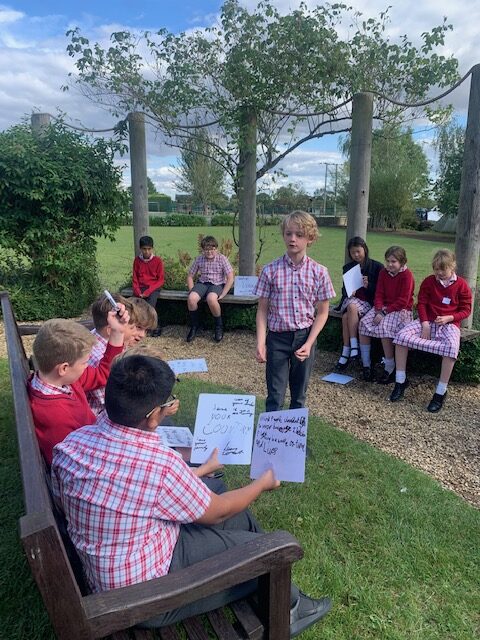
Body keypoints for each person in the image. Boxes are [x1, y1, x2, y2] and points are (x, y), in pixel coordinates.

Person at [51, 354, 332, 635]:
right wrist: (262, 482)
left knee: (239, 519)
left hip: (112, 567)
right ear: (152, 417)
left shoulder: (72, 444)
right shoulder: (159, 464)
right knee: (267, 549)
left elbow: (70, 502)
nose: (170, 406)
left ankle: (263, 579)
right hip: (143, 596)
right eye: (167, 402)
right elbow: (218, 511)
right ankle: (289, 608)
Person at [27, 304, 129, 465]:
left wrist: (117, 331)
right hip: (93, 454)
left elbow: (102, 374)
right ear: (64, 368)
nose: (86, 367)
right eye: (85, 363)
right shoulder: (55, 416)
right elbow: (67, 463)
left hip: (95, 436)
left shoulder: (63, 380)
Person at [255, 211, 335, 412]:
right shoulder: (270, 270)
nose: (292, 239)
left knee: (299, 396)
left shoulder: (319, 272)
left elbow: (323, 312)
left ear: (310, 238)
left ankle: (294, 443)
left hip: (304, 337)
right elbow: (262, 310)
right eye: (289, 233)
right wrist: (261, 342)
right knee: (275, 395)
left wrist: (309, 343)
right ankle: (270, 442)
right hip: (277, 339)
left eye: (299, 235)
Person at [390, 249, 472, 412]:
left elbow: (466, 309)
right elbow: (421, 303)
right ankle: (400, 381)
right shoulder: (429, 281)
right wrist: (425, 323)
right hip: (427, 321)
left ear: (452, 267)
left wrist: (449, 317)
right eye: (436, 269)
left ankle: (440, 392)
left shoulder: (461, 285)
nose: (439, 273)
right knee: (401, 337)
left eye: (443, 270)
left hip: (449, 324)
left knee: (451, 348)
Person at [87, 293, 158, 415]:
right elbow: (115, 400)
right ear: (112, 328)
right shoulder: (97, 356)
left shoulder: (98, 338)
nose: (143, 335)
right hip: (101, 419)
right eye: (135, 327)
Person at [359, 246, 415, 383]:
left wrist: (384, 312)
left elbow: (403, 300)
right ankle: (366, 365)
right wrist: (378, 308)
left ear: (401, 262)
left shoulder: (407, 276)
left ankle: (390, 365)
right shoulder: (384, 273)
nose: (390, 264)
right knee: (363, 324)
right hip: (383, 308)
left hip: (400, 310)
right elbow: (379, 293)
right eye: (388, 261)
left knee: (384, 327)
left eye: (393, 261)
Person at [334, 237, 383, 371]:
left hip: (367, 303)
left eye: (358, 251)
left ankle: (347, 350)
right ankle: (353, 347)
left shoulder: (377, 267)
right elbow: (344, 290)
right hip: (351, 301)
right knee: (351, 305)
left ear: (365, 250)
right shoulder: (348, 267)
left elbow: (381, 290)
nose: (355, 255)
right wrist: (349, 291)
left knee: (346, 316)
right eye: (352, 253)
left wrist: (369, 286)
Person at [186, 235, 234, 343]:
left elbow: (230, 277)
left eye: (212, 249)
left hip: (217, 284)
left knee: (211, 299)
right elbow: (190, 276)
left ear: (216, 249)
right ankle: (195, 326)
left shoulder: (222, 259)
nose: (209, 252)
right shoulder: (199, 259)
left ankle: (218, 326)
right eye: (206, 249)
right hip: (203, 283)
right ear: (203, 250)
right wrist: (191, 290)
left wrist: (224, 293)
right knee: (192, 299)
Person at [132, 235, 164, 337]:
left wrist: (148, 292)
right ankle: (140, 327)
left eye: (149, 249)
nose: (146, 252)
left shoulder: (157, 261)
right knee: (136, 305)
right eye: (144, 249)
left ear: (152, 248)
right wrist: (137, 291)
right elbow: (135, 278)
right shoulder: (137, 260)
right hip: (140, 287)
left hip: (153, 287)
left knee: (150, 306)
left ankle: (154, 327)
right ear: (140, 249)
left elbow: (160, 280)